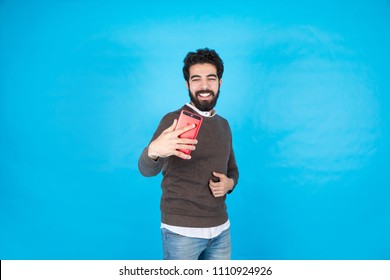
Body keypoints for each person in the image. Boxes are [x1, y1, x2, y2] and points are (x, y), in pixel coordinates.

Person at [138, 48, 239, 260]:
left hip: (221, 230)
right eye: (196, 79)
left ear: (220, 82)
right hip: (182, 233)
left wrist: (229, 184)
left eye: (211, 79)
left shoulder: (224, 125)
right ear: (187, 84)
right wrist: (154, 151)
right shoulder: (172, 121)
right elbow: (146, 169)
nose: (204, 86)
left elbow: (233, 170)